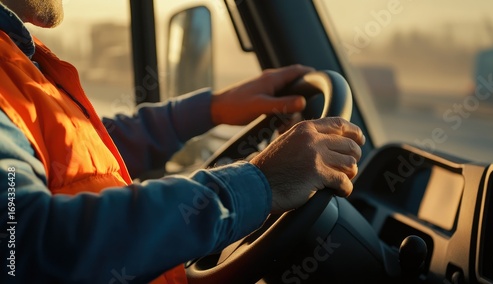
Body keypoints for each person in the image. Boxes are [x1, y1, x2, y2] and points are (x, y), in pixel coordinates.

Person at [0, 0, 365, 283]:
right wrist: (261, 183)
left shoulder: (14, 60)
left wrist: (214, 108)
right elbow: (28, 247)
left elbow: (75, 150)